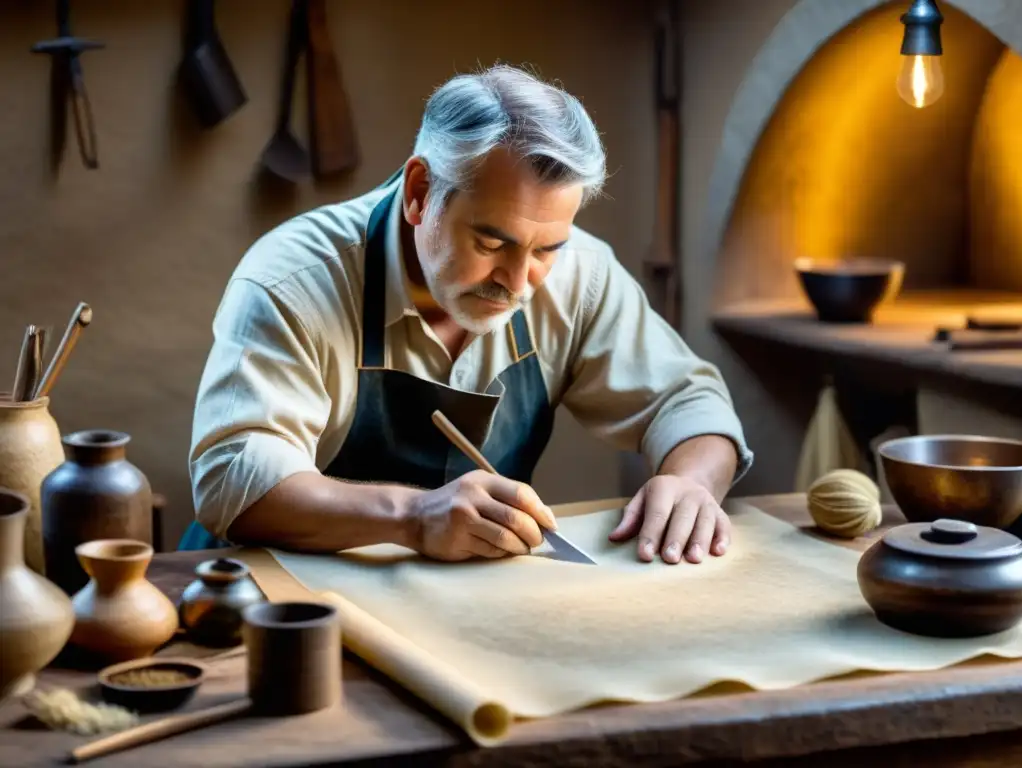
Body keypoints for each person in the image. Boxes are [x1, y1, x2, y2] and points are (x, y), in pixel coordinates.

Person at [179, 64, 753, 565]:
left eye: (547, 249)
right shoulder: (297, 278)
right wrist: (413, 516)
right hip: (260, 606)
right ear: (420, 191)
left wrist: (689, 483)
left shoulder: (581, 274)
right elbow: (234, 476)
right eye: (490, 242)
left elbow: (689, 402)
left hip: (441, 605)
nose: (517, 279)